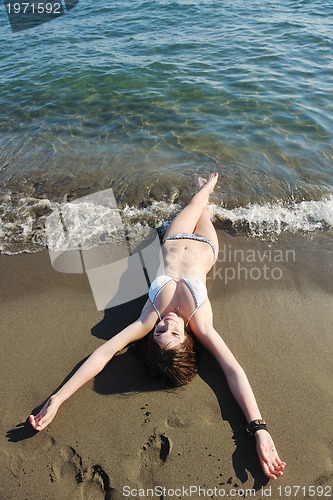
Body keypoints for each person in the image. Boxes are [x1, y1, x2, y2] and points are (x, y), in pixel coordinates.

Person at [29, 173, 286, 480]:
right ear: (187, 340)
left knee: (196, 202)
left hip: (174, 238)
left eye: (159, 333)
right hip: (206, 244)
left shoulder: (148, 317)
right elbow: (234, 371)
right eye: (174, 333)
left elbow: (104, 353)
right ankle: (208, 184)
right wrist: (259, 430)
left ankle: (204, 187)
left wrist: (58, 398)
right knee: (202, 206)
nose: (167, 324)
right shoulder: (200, 323)